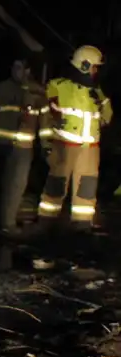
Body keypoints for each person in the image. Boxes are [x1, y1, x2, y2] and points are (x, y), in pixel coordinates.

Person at [35, 45, 113, 234]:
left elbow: (107, 117)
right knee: (55, 185)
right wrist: (47, 144)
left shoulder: (97, 91)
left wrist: (102, 102)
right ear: (84, 65)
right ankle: (45, 225)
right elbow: (45, 115)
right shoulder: (58, 87)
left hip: (90, 149)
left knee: (86, 189)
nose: (96, 71)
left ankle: (82, 227)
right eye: (95, 67)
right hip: (65, 146)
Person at [0, 53, 48, 240]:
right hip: (0, 145)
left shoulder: (38, 93)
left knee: (16, 187)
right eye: (14, 67)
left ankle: (8, 225)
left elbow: (45, 123)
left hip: (23, 148)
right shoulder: (3, 88)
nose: (16, 71)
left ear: (29, 70)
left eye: (20, 67)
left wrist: (47, 144)